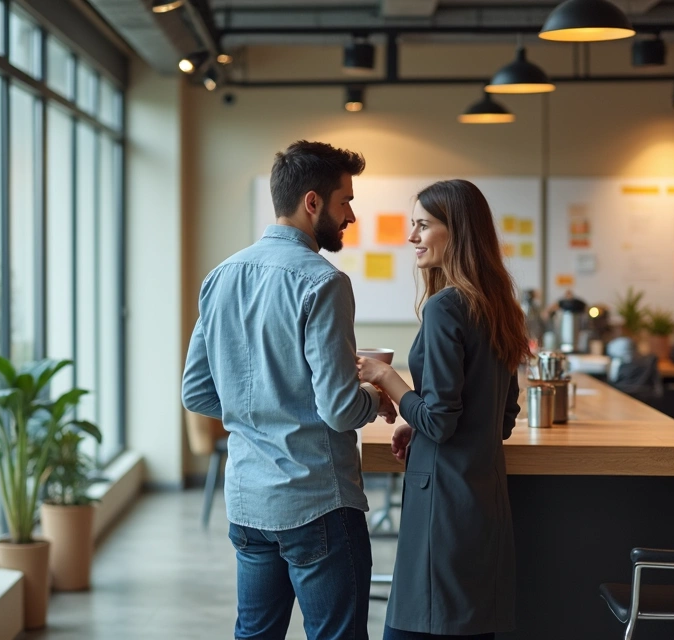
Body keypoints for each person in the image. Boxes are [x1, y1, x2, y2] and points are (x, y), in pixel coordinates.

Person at [182, 140, 397, 640]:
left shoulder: (221, 277)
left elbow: (197, 390)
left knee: (255, 634)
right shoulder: (323, 282)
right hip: (316, 500)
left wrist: (256, 414)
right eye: (345, 201)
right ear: (313, 202)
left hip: (249, 502)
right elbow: (341, 410)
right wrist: (377, 398)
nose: (351, 215)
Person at [357, 179, 530, 639]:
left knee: (415, 628)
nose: (412, 237)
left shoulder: (444, 308)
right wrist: (417, 425)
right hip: (483, 500)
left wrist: (385, 378)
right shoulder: (498, 307)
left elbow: (440, 419)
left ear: (457, 232)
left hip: (441, 507)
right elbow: (502, 417)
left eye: (422, 225)